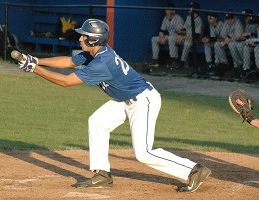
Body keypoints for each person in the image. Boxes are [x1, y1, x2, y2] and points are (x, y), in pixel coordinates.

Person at [18, 19, 211, 192]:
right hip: (123, 99)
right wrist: (35, 60)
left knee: (143, 152)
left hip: (143, 101)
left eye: (84, 36)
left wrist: (35, 69)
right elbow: (68, 62)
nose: (80, 39)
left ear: (93, 40)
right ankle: (102, 174)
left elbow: (66, 81)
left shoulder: (102, 63)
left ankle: (194, 170)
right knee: (97, 122)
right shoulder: (94, 53)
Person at [150, 3, 184, 68]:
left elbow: (181, 32)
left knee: (171, 38)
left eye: (170, 10)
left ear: (174, 11)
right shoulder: (165, 18)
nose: (168, 11)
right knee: (154, 39)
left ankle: (173, 60)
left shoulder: (178, 18)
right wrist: (162, 38)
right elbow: (161, 31)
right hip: (170, 36)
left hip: (178, 37)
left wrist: (167, 37)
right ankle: (155, 60)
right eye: (167, 10)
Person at [174, 2, 204, 69]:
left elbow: (196, 36)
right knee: (174, 39)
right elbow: (185, 29)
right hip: (187, 37)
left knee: (187, 44)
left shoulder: (199, 20)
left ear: (194, 10)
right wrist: (180, 31)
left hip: (196, 40)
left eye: (190, 8)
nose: (189, 10)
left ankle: (182, 63)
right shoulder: (188, 17)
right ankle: (174, 60)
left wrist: (183, 37)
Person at [218, 10, 244, 77]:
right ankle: (224, 65)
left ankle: (239, 65)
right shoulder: (226, 22)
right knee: (218, 45)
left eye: (231, 19)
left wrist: (228, 39)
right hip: (229, 40)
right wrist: (226, 38)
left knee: (232, 45)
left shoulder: (238, 23)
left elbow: (238, 37)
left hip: (238, 42)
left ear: (234, 18)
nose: (229, 21)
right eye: (228, 19)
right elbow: (222, 34)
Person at [241, 9, 258, 76]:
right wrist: (247, 38)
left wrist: (251, 35)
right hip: (254, 42)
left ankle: (258, 69)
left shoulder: (257, 23)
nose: (256, 24)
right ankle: (246, 69)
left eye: (257, 23)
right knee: (246, 48)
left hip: (257, 44)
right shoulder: (247, 22)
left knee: (257, 48)